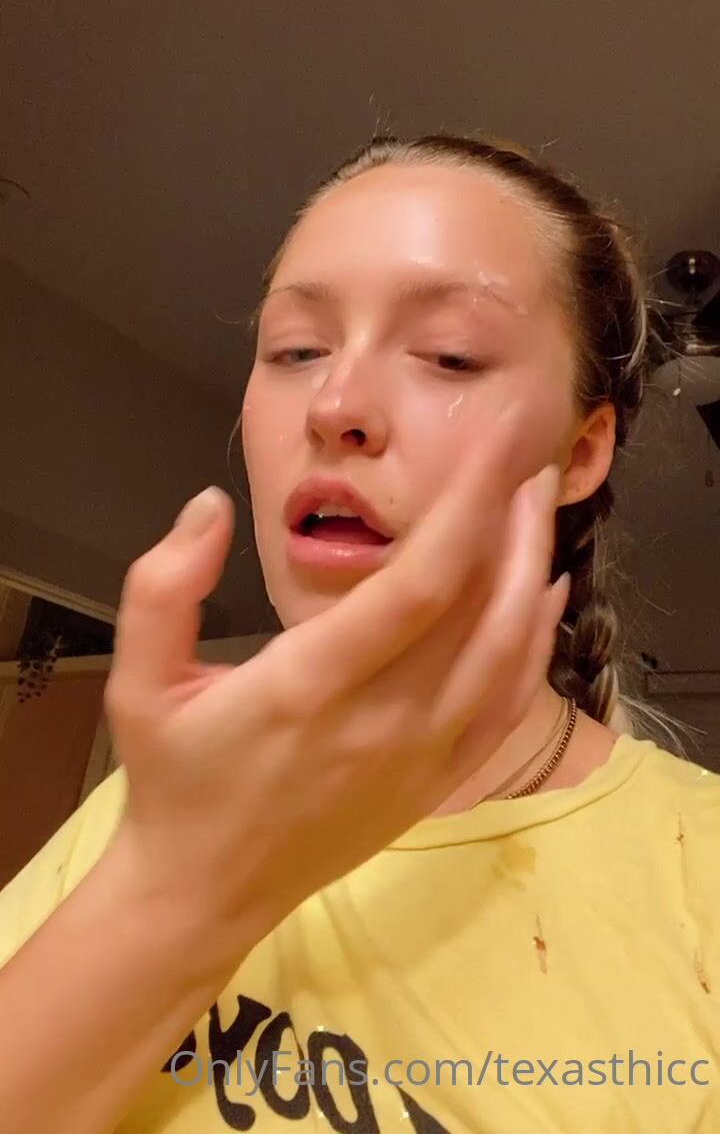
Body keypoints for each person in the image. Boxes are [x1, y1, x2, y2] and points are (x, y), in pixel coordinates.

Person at [0, 133, 718, 1134]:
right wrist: (177, 881)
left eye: (451, 354)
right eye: (297, 350)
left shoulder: (697, 874)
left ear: (581, 451)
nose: (335, 405)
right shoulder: (162, 804)